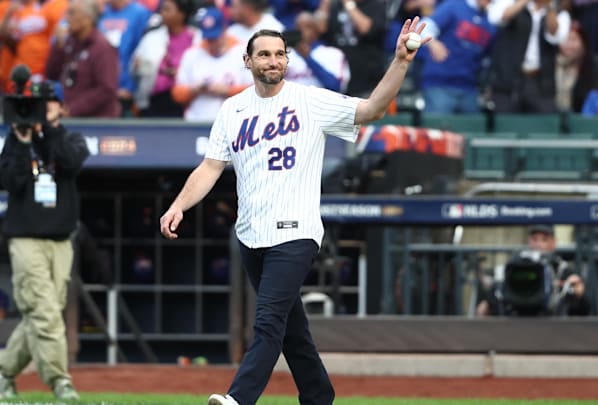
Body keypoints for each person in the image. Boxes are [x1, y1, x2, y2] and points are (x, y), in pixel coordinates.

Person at [160, 19, 430, 405]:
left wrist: (401, 61)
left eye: (279, 54)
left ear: (288, 59)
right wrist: (178, 205)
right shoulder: (233, 109)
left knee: (268, 322)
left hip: (296, 232)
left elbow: (371, 109)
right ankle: (319, 396)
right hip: (251, 234)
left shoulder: (309, 100)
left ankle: (239, 398)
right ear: (248, 61)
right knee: (292, 332)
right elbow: (210, 167)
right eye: (264, 54)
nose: (273, 60)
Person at [0, 79, 90, 401]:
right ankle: (61, 382)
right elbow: (11, 182)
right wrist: (21, 141)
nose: (44, 107)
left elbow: (70, 162)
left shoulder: (71, 138)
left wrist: (48, 131)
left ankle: (2, 376)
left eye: (50, 101)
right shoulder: (16, 139)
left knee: (44, 314)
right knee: (44, 313)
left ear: (61, 106)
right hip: (26, 239)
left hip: (60, 241)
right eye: (39, 102)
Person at [476, 224, 590, 317]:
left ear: (554, 242)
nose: (538, 244)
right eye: (534, 239)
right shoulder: (516, 266)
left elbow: (584, 312)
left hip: (551, 326)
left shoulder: (563, 271)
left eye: (544, 240)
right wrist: (487, 303)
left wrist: (579, 296)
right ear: (529, 241)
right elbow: (497, 295)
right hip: (516, 323)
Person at [486, 0, 571, 113]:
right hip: (509, 81)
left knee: (542, 124)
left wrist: (549, 8)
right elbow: (497, 17)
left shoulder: (560, 12)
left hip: (540, 82)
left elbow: (555, 35)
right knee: (506, 123)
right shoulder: (510, 2)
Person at [419, 0, 497, 114]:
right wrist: (433, 43)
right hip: (440, 84)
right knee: (439, 129)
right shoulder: (455, 6)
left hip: (469, 87)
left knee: (470, 129)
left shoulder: (489, 22)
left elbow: (487, 58)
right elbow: (424, 26)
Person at [45, 0, 120, 117]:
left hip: (97, 123)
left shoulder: (102, 47)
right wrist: (58, 47)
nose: (66, 18)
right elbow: (52, 74)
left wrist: (73, 109)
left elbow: (107, 89)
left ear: (87, 19)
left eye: (72, 13)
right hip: (74, 119)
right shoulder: (70, 43)